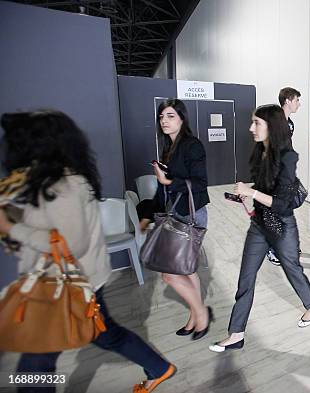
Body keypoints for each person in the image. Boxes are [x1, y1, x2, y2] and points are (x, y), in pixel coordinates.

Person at [0, 110, 176, 393]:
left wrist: (11, 228)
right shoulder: (50, 182)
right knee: (106, 335)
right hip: (74, 282)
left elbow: (71, 244)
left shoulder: (66, 186)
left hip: (68, 286)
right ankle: (158, 367)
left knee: (36, 364)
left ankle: (159, 367)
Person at [209, 105, 310, 353]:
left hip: (282, 226)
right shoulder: (261, 151)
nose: (251, 128)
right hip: (259, 225)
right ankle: (236, 334)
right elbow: (264, 190)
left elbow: (281, 204)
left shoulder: (289, 158)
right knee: (246, 278)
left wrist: (251, 192)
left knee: (293, 270)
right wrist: (247, 194)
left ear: (272, 127)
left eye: (256, 123)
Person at [150, 99, 213, 341]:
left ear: (182, 119)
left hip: (191, 213)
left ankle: (200, 313)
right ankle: (195, 317)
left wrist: (168, 181)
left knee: (170, 274)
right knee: (187, 271)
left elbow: (200, 183)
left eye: (170, 116)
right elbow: (165, 185)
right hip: (175, 212)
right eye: (161, 117)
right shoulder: (169, 146)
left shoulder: (192, 145)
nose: (164, 121)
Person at [263, 86, 303, 266]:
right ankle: (272, 249)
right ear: (287, 100)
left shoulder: (290, 124)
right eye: (296, 100)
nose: (299, 104)